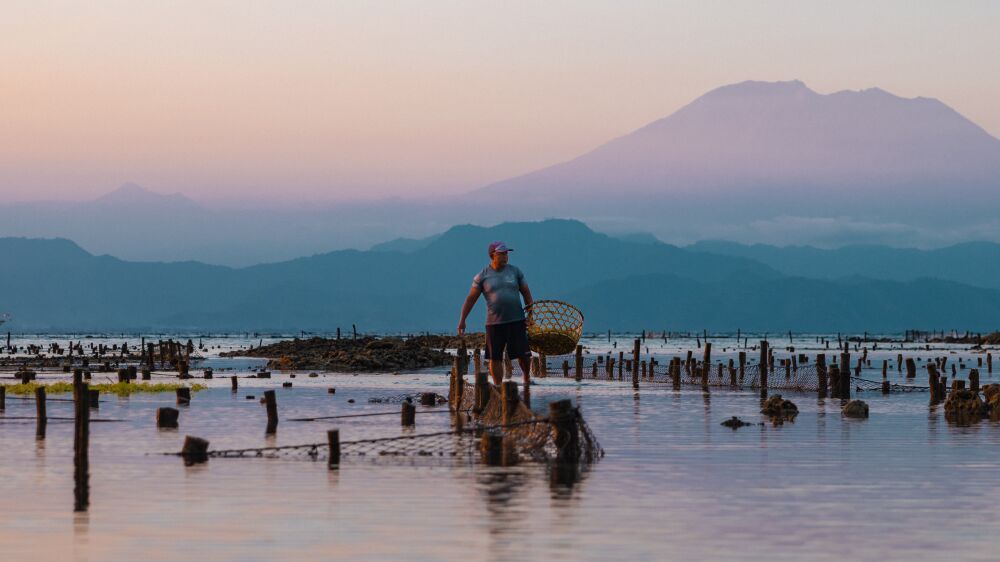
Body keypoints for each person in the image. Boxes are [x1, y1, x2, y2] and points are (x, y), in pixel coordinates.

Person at [457, 241, 534, 385]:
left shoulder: (515, 272)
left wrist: (531, 316)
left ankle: (527, 379)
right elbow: (470, 299)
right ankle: (498, 387)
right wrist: (462, 320)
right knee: (494, 357)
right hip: (494, 323)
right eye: (502, 254)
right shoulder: (482, 276)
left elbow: (527, 294)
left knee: (523, 355)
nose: (505, 256)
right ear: (493, 255)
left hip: (516, 320)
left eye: (506, 253)